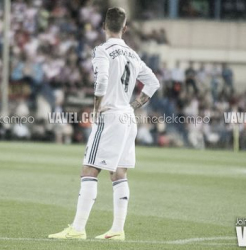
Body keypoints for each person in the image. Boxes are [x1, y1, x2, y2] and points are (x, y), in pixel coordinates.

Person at [48, 7, 160, 241]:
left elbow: (102, 80)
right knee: (119, 172)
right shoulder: (132, 53)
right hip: (127, 117)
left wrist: (96, 107)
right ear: (125, 28)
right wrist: (134, 106)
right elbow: (153, 82)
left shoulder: (102, 50)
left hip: (109, 116)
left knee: (89, 168)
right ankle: (117, 230)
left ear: (103, 27)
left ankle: (78, 229)